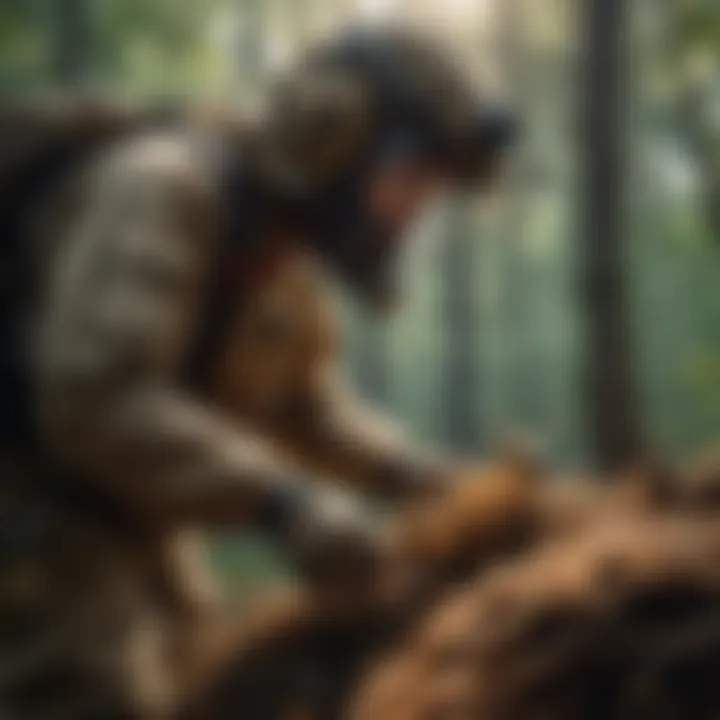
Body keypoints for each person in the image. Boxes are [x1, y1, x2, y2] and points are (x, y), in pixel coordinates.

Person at [0, 26, 516, 719]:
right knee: (97, 695)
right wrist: (287, 506)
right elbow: (93, 397)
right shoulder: (163, 189)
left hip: (125, 506)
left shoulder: (272, 251)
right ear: (332, 131)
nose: (409, 214)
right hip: (36, 494)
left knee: (208, 685)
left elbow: (304, 406)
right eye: (410, 181)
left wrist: (420, 477)